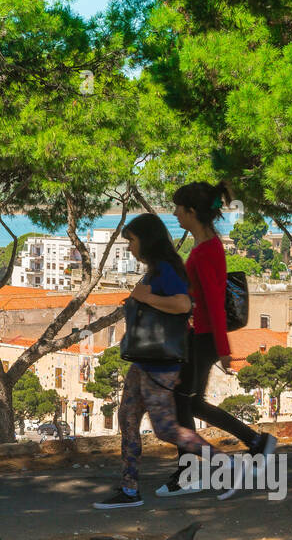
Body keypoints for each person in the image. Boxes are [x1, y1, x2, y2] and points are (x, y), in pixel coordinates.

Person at [93, 213, 241, 509]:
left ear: (147, 240)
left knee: (166, 429)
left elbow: (183, 304)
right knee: (128, 419)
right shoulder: (156, 270)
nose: (130, 247)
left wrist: (146, 299)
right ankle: (130, 489)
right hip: (143, 361)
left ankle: (233, 467)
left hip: (160, 364)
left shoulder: (166, 270)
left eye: (132, 241)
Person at [155, 181, 276, 498]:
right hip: (201, 336)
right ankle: (256, 441)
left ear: (192, 212)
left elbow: (214, 302)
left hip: (204, 339)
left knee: (182, 403)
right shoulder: (204, 247)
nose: (175, 213)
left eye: (179, 208)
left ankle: (188, 473)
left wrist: (224, 350)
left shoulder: (207, 251)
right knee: (191, 402)